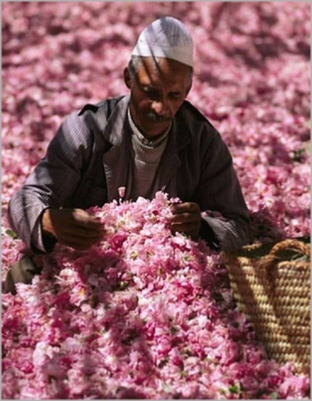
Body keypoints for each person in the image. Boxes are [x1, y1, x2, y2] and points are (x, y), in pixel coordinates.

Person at [5, 16, 252, 294]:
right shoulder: (88, 129)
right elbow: (25, 199)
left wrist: (204, 228)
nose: (161, 108)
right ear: (128, 77)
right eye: (151, 92)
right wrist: (48, 220)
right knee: (23, 277)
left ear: (188, 90)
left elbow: (241, 226)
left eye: (174, 95)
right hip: (85, 270)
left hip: (164, 285)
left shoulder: (202, 141)